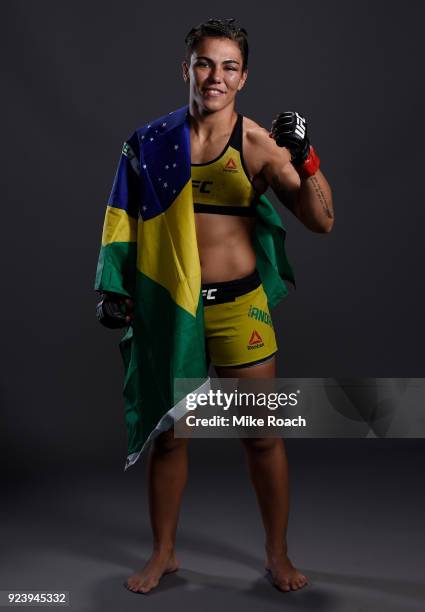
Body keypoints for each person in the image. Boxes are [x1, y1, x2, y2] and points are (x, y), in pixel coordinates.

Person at [95, 18, 334, 595]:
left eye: (229, 67)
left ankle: (277, 556)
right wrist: (114, 286)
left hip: (237, 305)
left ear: (244, 76)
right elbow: (120, 218)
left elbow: (321, 219)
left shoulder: (257, 144)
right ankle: (164, 554)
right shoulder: (150, 141)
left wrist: (306, 159)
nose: (215, 77)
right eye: (205, 63)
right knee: (171, 433)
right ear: (187, 69)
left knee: (261, 433)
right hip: (173, 307)